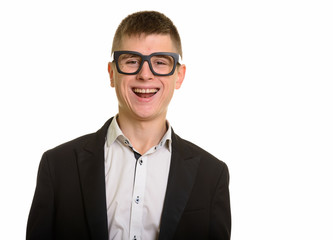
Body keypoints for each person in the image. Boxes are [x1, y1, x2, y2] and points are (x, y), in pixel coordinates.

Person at [26, 11, 231, 240]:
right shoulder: (58, 167)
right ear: (112, 73)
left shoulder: (212, 175)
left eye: (160, 62)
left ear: (179, 76)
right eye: (132, 61)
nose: (145, 75)